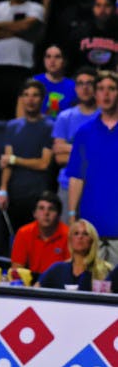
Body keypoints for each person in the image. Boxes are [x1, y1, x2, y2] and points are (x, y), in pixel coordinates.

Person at [67, 70, 118, 264]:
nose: (106, 94)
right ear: (95, 95)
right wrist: (72, 216)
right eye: (101, 89)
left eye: (112, 89)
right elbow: (76, 177)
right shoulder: (84, 133)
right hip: (91, 232)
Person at [0, 80, 54, 232]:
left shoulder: (49, 126)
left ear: (42, 99)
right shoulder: (12, 126)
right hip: (15, 193)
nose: (30, 99)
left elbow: (44, 163)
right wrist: (3, 189)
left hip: (38, 192)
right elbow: (7, 160)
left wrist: (15, 160)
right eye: (26, 95)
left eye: (35, 95)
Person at [52, 67, 98, 221]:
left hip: (98, 185)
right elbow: (59, 157)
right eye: (80, 84)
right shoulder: (65, 117)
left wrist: (70, 149)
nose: (84, 88)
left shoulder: (106, 116)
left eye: (89, 83)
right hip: (67, 185)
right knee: (68, 237)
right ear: (75, 88)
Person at [37, 218, 112, 291]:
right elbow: (35, 291)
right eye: (76, 233)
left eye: (85, 234)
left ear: (92, 240)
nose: (80, 237)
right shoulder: (58, 269)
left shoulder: (104, 270)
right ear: (70, 240)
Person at [10, 191, 69, 282]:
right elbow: (17, 271)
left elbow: (70, 272)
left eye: (51, 209)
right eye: (41, 208)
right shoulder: (24, 233)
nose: (46, 213)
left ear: (58, 215)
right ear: (34, 213)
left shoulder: (68, 235)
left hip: (58, 285)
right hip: (29, 283)